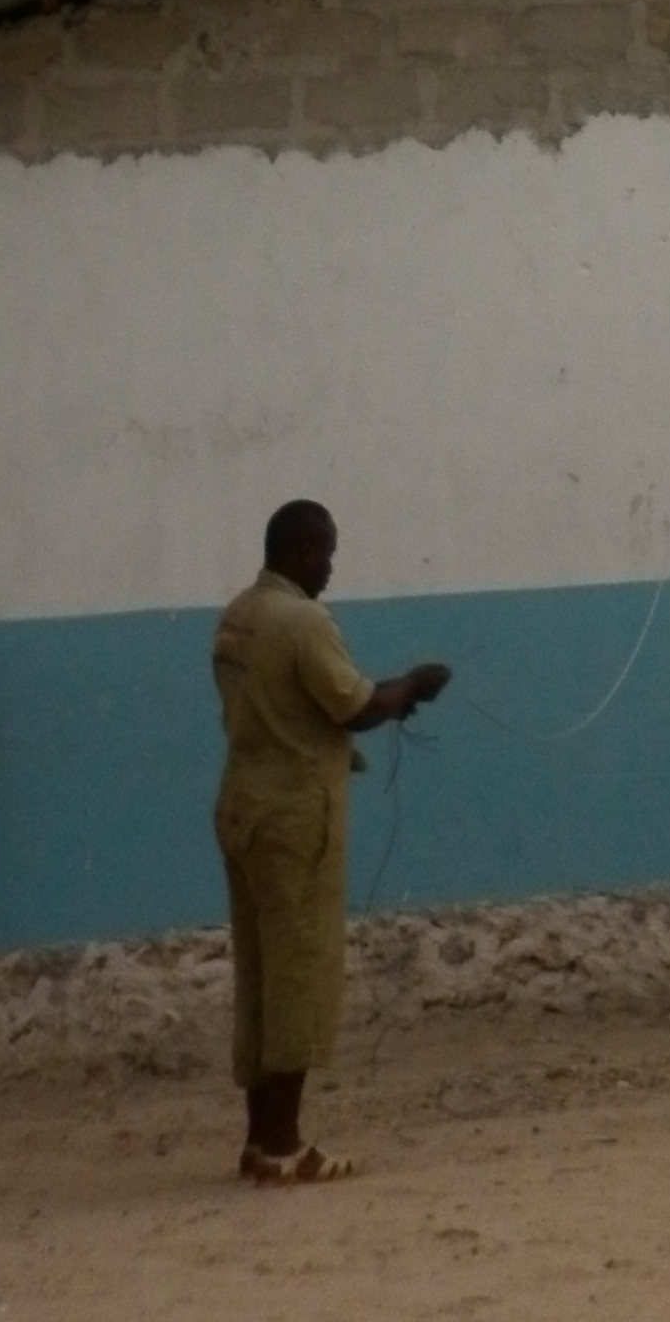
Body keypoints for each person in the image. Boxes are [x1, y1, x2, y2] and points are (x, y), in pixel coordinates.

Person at [213, 498, 450, 1186]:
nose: (331, 568)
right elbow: (354, 703)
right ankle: (285, 1144)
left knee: (259, 970)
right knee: (299, 973)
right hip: (293, 817)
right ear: (297, 550)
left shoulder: (238, 614)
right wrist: (413, 686)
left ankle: (259, 1140)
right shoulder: (302, 620)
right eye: (325, 553)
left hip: (241, 804)